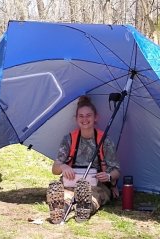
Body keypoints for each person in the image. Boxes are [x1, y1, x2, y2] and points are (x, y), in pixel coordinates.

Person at [46, 95, 120, 224]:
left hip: (96, 185)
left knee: (94, 196)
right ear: (76, 119)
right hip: (70, 183)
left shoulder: (105, 140)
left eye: (88, 115)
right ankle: (60, 209)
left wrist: (108, 177)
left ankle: (85, 207)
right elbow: (55, 169)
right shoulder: (69, 139)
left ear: (95, 117)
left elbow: (116, 171)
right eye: (81, 116)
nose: (85, 119)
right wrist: (63, 167)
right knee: (65, 195)